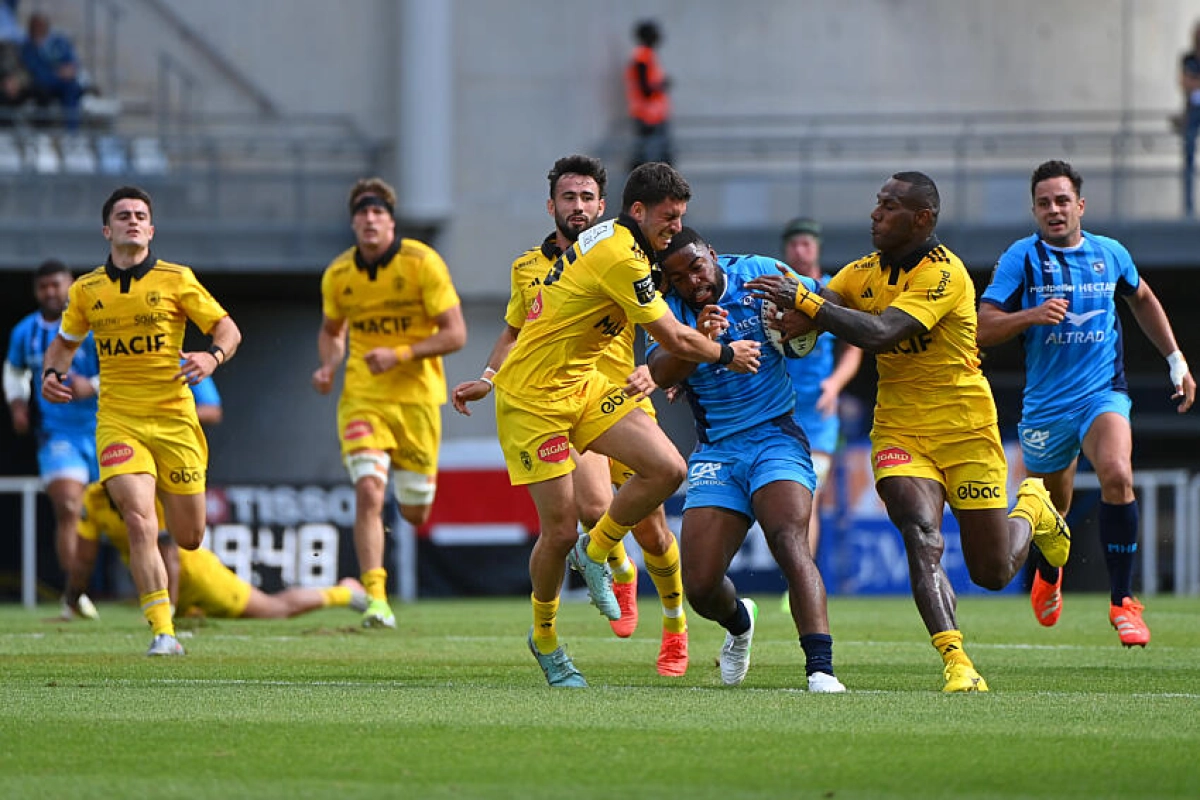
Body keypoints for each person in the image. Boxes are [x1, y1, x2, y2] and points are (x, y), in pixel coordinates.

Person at [748, 171, 1070, 693]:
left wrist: (807, 304)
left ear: (922, 219)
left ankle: (1033, 507)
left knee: (992, 572)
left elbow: (880, 332)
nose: (875, 213)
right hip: (900, 428)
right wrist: (773, 320)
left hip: (965, 427)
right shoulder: (860, 273)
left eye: (890, 206)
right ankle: (957, 661)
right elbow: (815, 315)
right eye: (877, 203)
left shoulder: (946, 276)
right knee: (922, 537)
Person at [490, 162, 759, 687]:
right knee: (561, 527)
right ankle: (544, 637)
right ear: (637, 211)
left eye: (681, 217)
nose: (676, 227)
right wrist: (726, 352)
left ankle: (598, 554)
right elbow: (676, 340)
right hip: (533, 399)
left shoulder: (623, 244)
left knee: (666, 468)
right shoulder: (618, 253)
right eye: (669, 217)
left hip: (583, 385)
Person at [452, 155, 689, 675]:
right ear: (552, 205)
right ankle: (590, 578)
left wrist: (663, 371)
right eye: (568, 198)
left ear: (604, 206)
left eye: (586, 198)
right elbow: (515, 333)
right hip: (544, 400)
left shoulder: (629, 250)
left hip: (616, 389)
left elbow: (674, 317)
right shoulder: (531, 267)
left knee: (654, 521)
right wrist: (489, 380)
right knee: (580, 516)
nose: (577, 206)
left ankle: (671, 624)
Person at [977, 159, 1195, 648]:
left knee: (1118, 473)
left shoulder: (1110, 253)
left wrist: (1175, 359)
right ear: (1034, 210)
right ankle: (1050, 572)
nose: (1053, 210)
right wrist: (1031, 315)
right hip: (1045, 408)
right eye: (1043, 203)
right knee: (1053, 510)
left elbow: (1142, 297)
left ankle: (1123, 603)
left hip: (1102, 394)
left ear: (1080, 205)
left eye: (1061, 201)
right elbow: (982, 324)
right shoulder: (1022, 258)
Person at [41, 185, 241, 656]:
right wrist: (53, 373)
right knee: (138, 518)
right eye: (123, 215)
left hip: (174, 421)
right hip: (119, 420)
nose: (133, 220)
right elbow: (65, 343)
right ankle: (162, 630)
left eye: (140, 215)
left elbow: (228, 329)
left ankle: (166, 610)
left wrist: (212, 358)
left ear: (151, 229)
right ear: (107, 229)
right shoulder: (87, 290)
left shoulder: (177, 279)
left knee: (189, 537)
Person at [649, 227, 846, 692]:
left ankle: (820, 669)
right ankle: (740, 624)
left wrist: (804, 316)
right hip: (717, 449)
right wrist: (697, 343)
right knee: (698, 586)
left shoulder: (757, 271)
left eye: (697, 267)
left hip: (775, 434)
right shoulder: (667, 308)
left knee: (789, 540)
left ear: (712, 255)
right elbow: (660, 372)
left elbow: (831, 298)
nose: (692, 282)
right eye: (678, 277)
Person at [312, 177, 466, 630]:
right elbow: (331, 330)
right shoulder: (339, 274)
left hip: (416, 399)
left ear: (391, 221)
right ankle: (376, 597)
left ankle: (402, 507)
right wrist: (328, 365)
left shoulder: (422, 263)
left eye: (378, 210)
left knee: (414, 511)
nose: (369, 218)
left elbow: (456, 334)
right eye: (362, 211)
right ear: (353, 222)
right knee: (368, 490)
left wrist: (399, 354)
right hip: (363, 398)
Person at [62, 482, 369, 622]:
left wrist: (166, 610)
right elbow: (84, 559)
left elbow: (172, 558)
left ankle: (343, 592)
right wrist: (72, 601)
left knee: (273, 610)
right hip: (158, 584)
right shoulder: (94, 498)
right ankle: (184, 612)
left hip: (195, 575)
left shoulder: (150, 494)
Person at [4, 259, 100, 620]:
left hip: (108, 428)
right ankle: (75, 596)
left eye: (56, 285)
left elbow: (126, 369)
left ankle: (154, 594)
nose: (51, 292)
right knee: (69, 507)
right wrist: (17, 405)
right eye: (44, 287)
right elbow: (14, 371)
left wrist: (89, 387)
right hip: (58, 435)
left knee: (128, 512)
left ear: (71, 285)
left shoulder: (92, 324)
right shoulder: (25, 332)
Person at [778, 217, 863, 559]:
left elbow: (854, 347)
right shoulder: (775, 293)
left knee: (805, 500)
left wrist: (835, 384)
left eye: (806, 244)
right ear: (785, 249)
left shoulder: (832, 293)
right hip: (776, 411)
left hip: (818, 414)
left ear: (817, 248)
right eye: (794, 244)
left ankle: (798, 581)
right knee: (778, 501)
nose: (800, 250)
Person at [19, 12, 84, 130]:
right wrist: (57, 73)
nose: (39, 29)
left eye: (42, 26)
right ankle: (42, 131)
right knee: (41, 90)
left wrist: (70, 69)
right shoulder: (28, 47)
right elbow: (35, 70)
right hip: (42, 83)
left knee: (72, 87)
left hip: (61, 82)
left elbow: (71, 61)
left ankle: (72, 132)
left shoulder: (59, 41)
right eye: (36, 26)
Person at [625, 20, 673, 170]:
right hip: (648, 115)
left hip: (654, 115)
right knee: (649, 156)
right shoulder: (642, 57)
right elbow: (644, 87)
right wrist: (661, 86)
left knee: (653, 155)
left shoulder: (648, 56)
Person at [1180, 22, 1200, 217]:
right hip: (1193, 109)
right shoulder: (1188, 58)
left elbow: (1192, 81)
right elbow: (1186, 83)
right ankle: (1188, 206)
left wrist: (1195, 81)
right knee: (1188, 153)